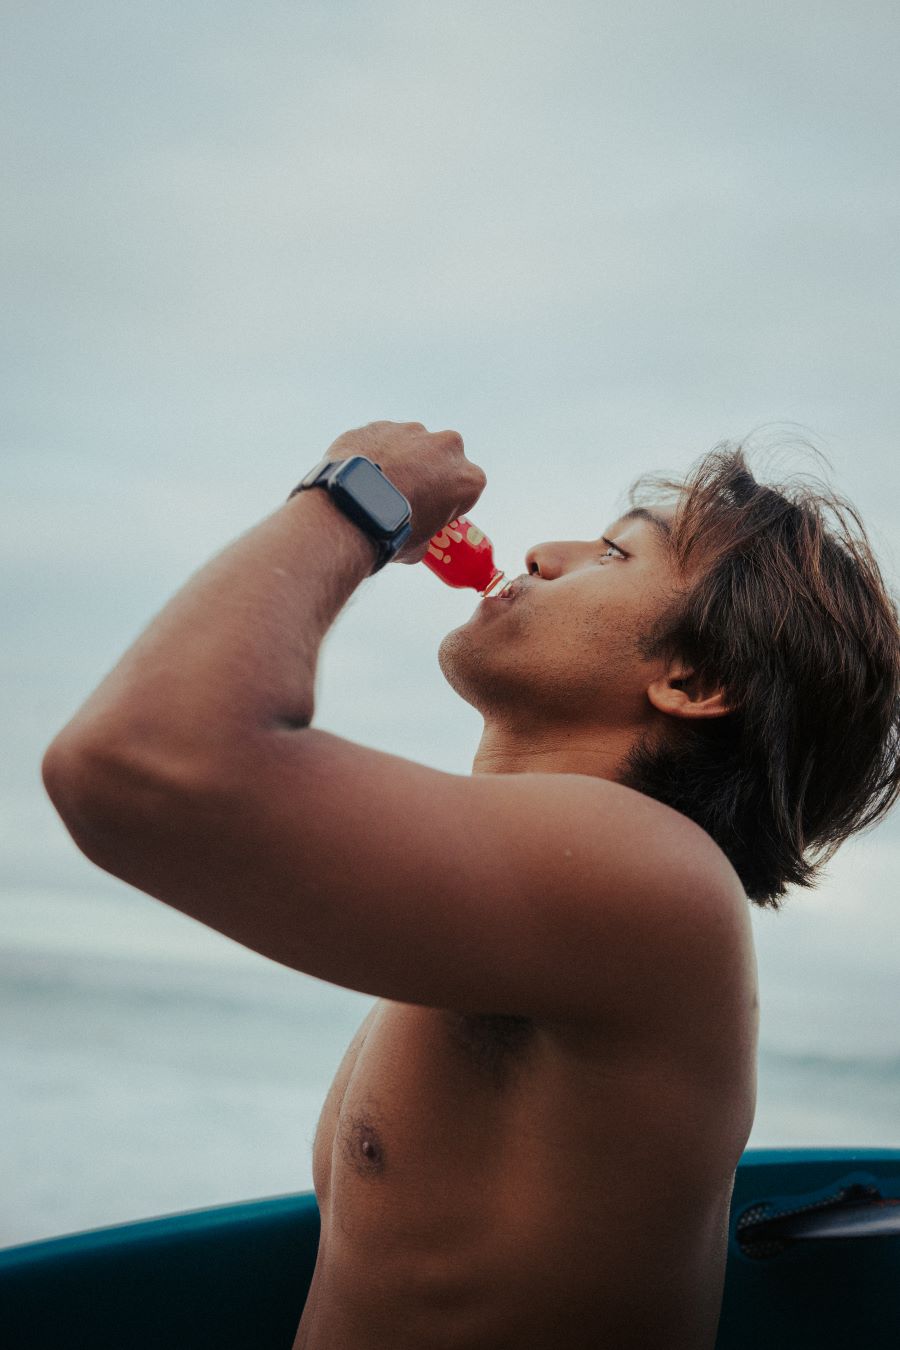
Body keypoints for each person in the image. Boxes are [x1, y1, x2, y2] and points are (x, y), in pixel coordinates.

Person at [42, 421, 900, 1350]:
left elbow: (136, 763)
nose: (543, 551)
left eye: (615, 551)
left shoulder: (651, 876)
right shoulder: (539, 907)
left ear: (691, 678)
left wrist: (355, 497)